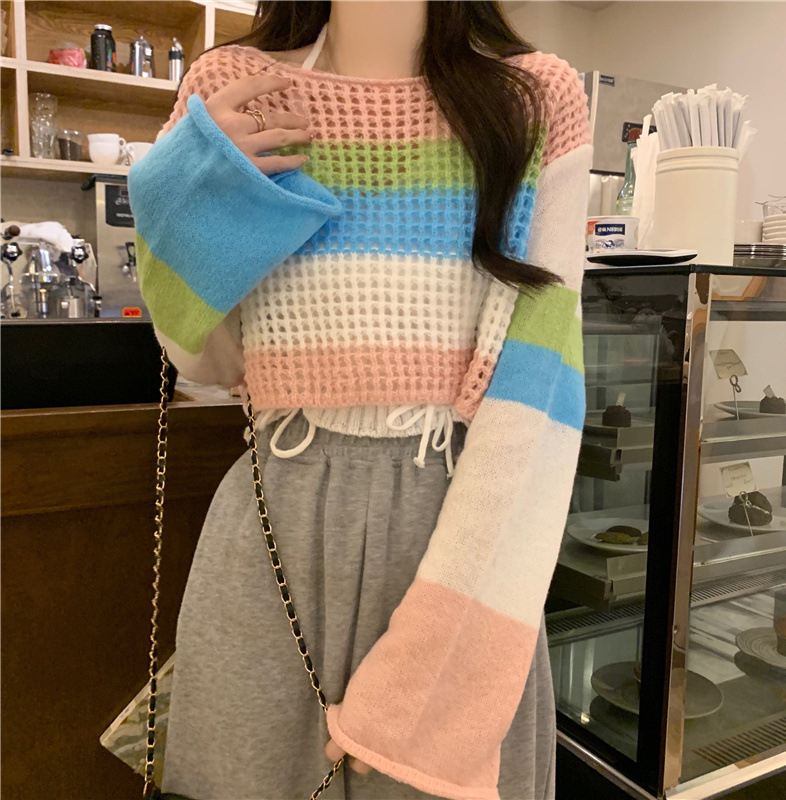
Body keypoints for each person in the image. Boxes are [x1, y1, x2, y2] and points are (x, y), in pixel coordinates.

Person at [127, 1, 592, 798]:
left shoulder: (534, 99)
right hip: (273, 530)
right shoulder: (234, 86)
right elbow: (202, 359)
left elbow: (540, 390)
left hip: (462, 533)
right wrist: (194, 198)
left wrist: (438, 653)